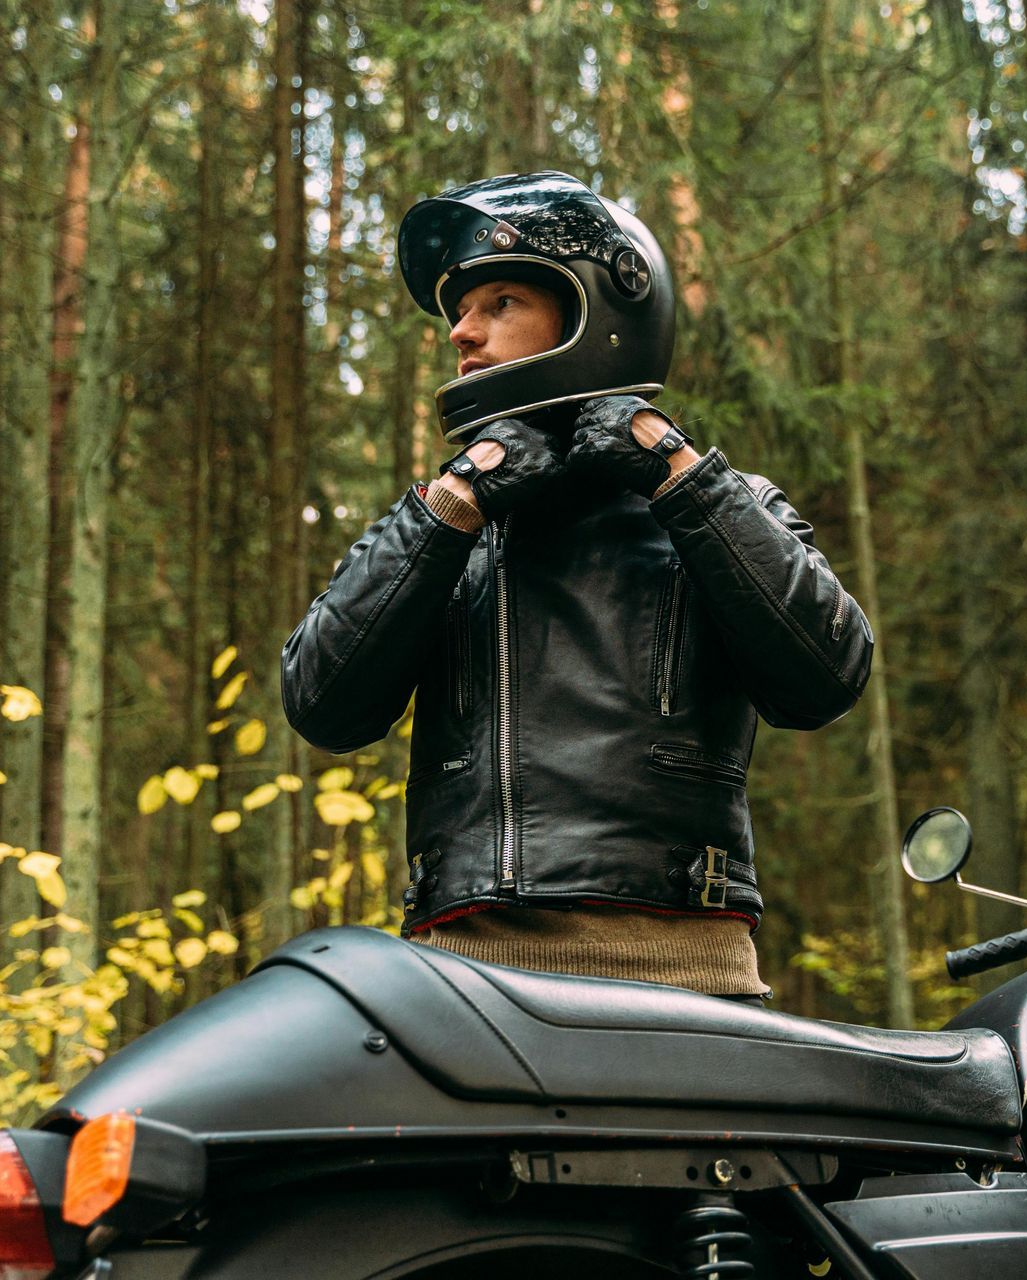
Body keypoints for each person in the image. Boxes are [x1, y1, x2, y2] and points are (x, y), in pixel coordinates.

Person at [279, 171, 872, 1001]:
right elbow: (321, 701)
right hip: (462, 986)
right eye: (460, 308)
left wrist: (675, 471)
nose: (461, 331)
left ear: (596, 311)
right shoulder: (451, 530)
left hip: (684, 983)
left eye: (501, 302)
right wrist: (455, 502)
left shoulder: (717, 509)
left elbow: (827, 674)